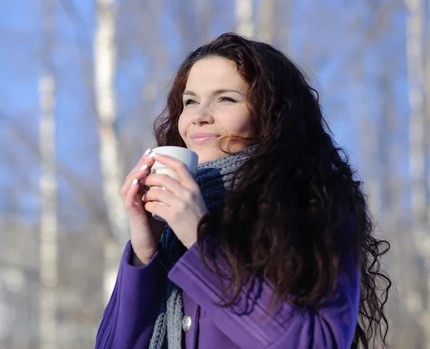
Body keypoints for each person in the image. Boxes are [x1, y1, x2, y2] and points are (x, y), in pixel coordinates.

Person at [95, 32, 391, 348]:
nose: (198, 117)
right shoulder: (171, 234)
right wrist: (146, 250)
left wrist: (201, 239)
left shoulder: (313, 206)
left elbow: (318, 342)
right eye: (190, 101)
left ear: (271, 115)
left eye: (226, 98)